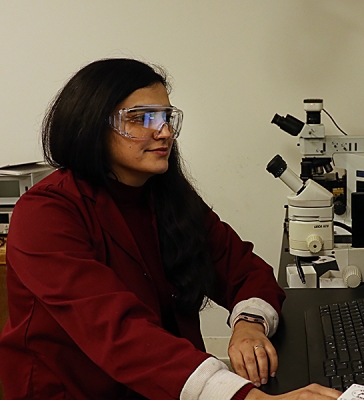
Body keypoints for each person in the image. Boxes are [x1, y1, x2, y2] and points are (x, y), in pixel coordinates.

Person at [0, 58, 341, 400]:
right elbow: (118, 332)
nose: (164, 132)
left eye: (166, 117)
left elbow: (243, 268)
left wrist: (249, 324)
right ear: (90, 124)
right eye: (141, 118)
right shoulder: (45, 214)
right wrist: (249, 398)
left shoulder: (167, 197)